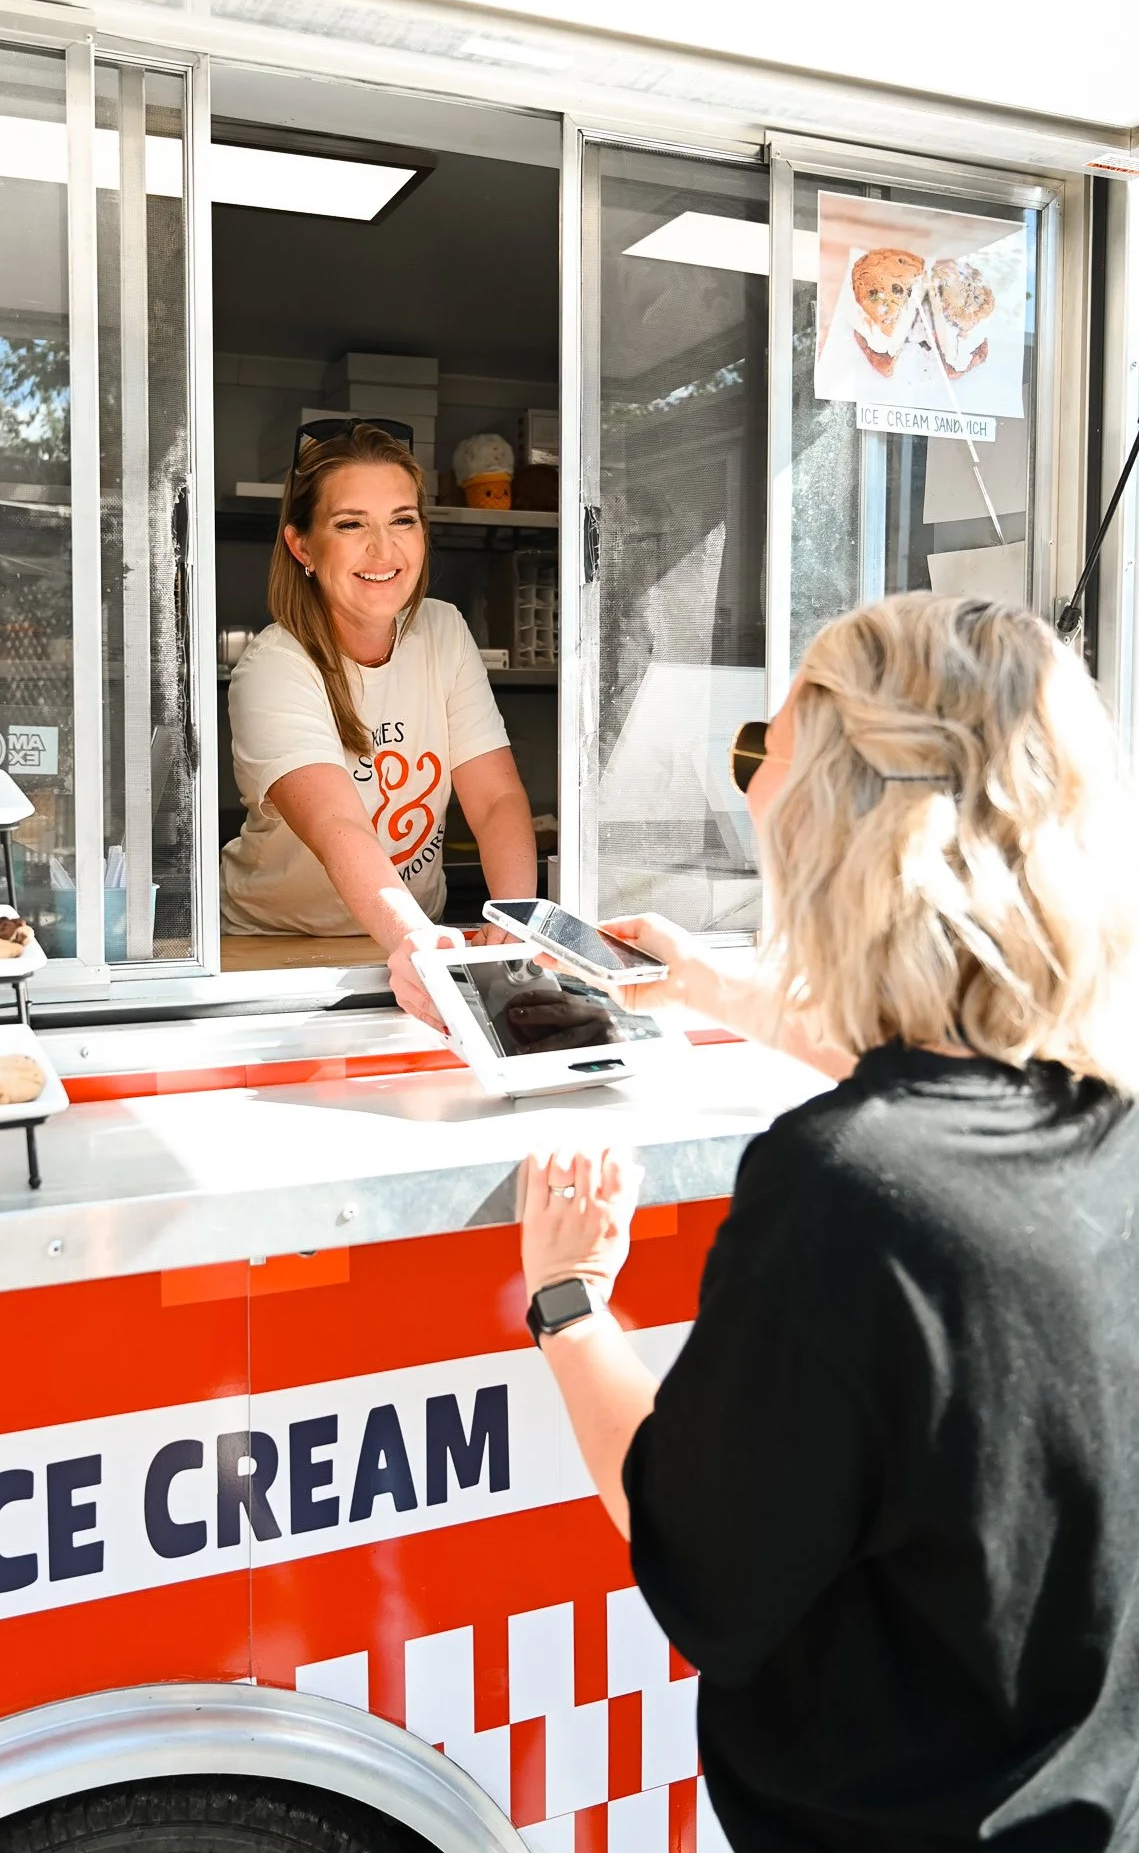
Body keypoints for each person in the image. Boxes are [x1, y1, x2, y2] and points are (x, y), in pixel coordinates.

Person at [518, 592, 1139, 1852]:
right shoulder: (1105, 1124)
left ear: (848, 843)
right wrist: (701, 982)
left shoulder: (849, 1196)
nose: (753, 809)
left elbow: (701, 1567)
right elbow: (951, 1046)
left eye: (768, 771)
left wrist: (573, 1302)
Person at [220, 419, 537, 1024]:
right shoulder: (275, 665)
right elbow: (340, 825)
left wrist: (515, 921)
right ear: (302, 546)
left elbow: (494, 796)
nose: (383, 550)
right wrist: (415, 941)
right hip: (281, 948)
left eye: (403, 520)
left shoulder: (442, 631)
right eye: (350, 524)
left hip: (416, 937)